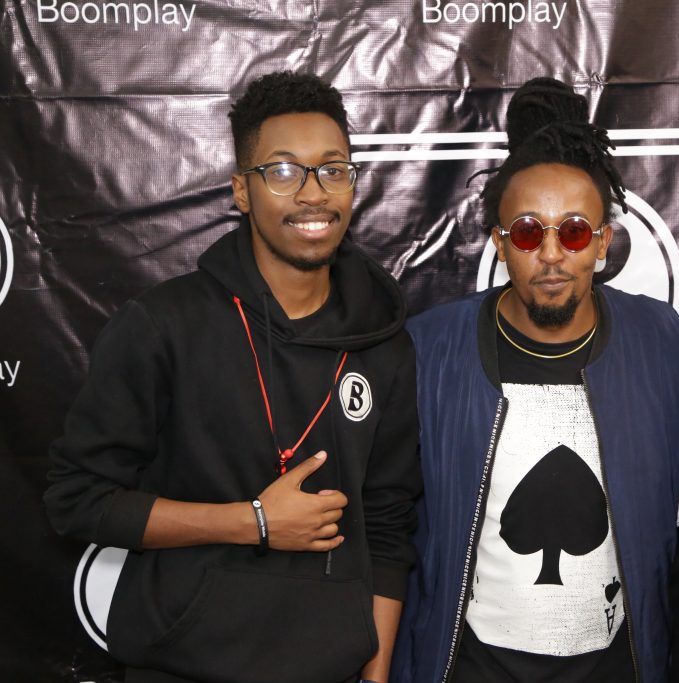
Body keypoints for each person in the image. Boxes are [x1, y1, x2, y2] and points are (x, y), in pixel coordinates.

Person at [44, 71, 421, 683]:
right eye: (283, 170)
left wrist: (375, 677)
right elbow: (78, 501)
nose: (313, 193)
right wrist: (254, 521)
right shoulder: (163, 325)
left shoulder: (386, 345)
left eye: (333, 169)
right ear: (242, 191)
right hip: (181, 664)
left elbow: (386, 526)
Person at [391, 77, 679, 682]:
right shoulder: (430, 349)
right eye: (529, 232)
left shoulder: (658, 339)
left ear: (602, 244)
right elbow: (389, 528)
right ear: (500, 244)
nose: (552, 254)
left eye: (574, 231)